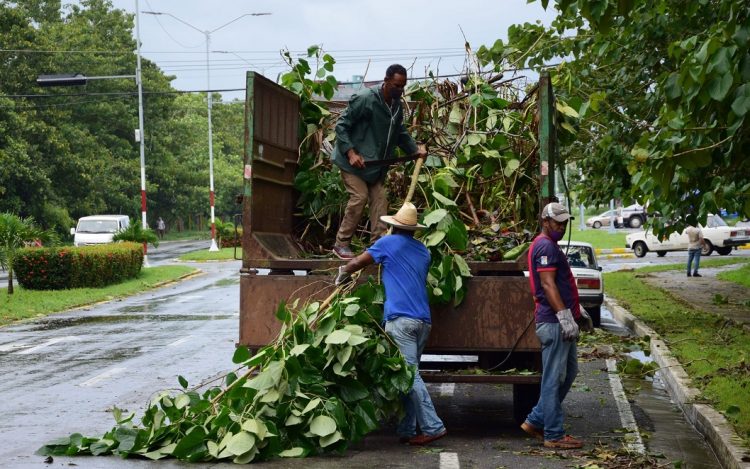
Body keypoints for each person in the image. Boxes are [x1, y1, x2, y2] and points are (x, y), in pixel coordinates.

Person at [335, 202, 447, 445]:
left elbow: (357, 263)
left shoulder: (386, 244)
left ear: (393, 227)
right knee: (407, 375)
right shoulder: (423, 251)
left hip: (401, 320)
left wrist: (343, 272)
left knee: (409, 374)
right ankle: (407, 429)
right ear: (414, 230)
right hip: (423, 321)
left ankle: (433, 426)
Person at [331, 64, 427, 260]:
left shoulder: (396, 105)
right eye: (396, 85)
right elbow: (341, 125)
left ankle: (378, 245)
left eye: (403, 86)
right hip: (352, 163)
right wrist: (350, 153)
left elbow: (399, 132)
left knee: (381, 199)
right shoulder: (366, 99)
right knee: (360, 196)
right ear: (386, 81)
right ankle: (341, 244)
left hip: (375, 167)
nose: (400, 90)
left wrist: (415, 150)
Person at [521, 202, 591, 450]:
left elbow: (559, 285)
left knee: (569, 373)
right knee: (552, 379)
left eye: (564, 223)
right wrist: (564, 315)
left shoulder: (549, 246)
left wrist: (575, 310)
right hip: (553, 323)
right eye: (557, 222)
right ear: (545, 221)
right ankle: (553, 433)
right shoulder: (545, 246)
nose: (561, 227)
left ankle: (536, 420)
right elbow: (548, 285)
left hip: (560, 321)